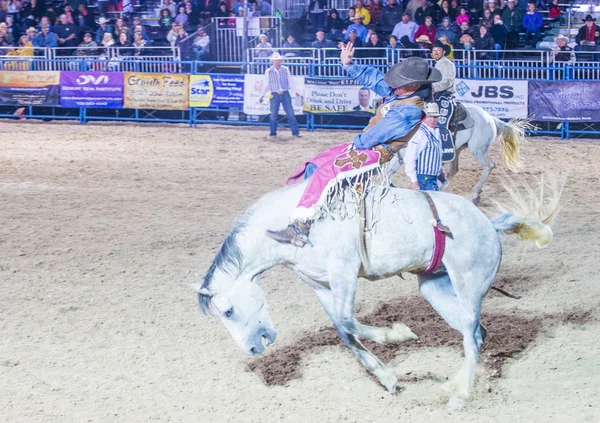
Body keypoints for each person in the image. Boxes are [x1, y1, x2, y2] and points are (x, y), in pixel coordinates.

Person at [265, 45, 441, 247]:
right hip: (365, 145)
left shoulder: (410, 110)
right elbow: (376, 79)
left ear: (415, 85)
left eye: (401, 83)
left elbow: (378, 134)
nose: (395, 85)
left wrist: (355, 145)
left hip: (375, 152)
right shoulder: (401, 94)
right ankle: (298, 208)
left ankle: (301, 229)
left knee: (328, 172)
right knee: (314, 163)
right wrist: (349, 65)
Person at [404, 103, 446, 191]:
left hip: (432, 178)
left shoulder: (436, 132)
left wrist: (439, 170)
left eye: (435, 117)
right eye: (429, 117)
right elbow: (410, 158)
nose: (432, 120)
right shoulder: (420, 133)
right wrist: (414, 180)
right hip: (423, 178)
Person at [259, 52, 301, 138]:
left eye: (278, 60)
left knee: (290, 114)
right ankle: (273, 133)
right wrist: (262, 95)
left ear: (280, 60)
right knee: (274, 115)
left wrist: (295, 91)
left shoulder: (285, 69)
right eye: (275, 60)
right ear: (273, 61)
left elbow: (290, 81)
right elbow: (266, 84)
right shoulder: (268, 71)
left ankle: (295, 133)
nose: (277, 61)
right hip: (274, 94)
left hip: (285, 93)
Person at [430, 40, 455, 130]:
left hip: (444, 94)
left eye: (438, 50)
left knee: (441, 117)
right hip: (434, 94)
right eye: (434, 50)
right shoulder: (435, 65)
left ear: (443, 52)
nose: (436, 52)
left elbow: (448, 81)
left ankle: (442, 132)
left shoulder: (448, 64)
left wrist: (434, 88)